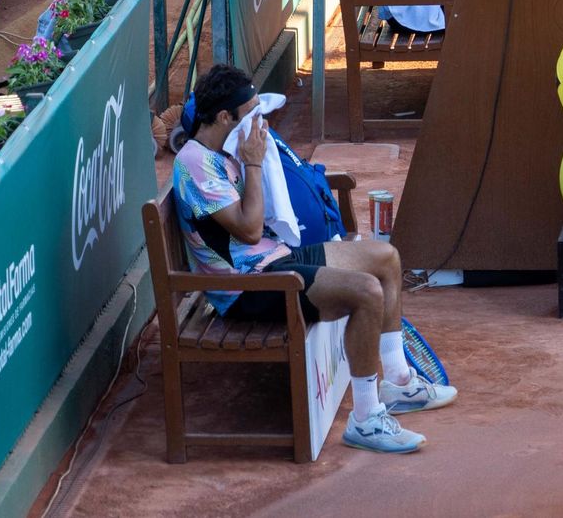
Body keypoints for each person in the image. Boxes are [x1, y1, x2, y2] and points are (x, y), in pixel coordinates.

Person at [172, 64, 457, 453]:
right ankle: (366, 420)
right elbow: (250, 231)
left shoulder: (226, 147)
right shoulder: (194, 164)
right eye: (251, 113)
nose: (259, 122)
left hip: (275, 260)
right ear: (225, 117)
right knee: (366, 292)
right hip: (248, 287)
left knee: (386, 258)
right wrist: (254, 163)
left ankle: (398, 383)